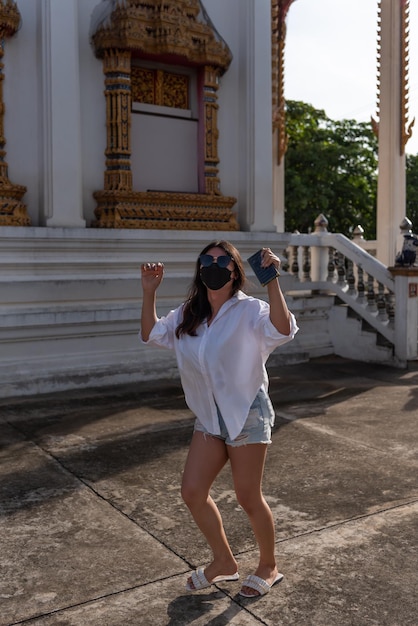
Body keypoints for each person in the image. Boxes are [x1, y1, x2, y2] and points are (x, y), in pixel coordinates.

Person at [140, 241, 298, 598]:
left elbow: (282, 329)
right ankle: (224, 562)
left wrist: (272, 280)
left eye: (222, 260)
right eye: (207, 260)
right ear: (199, 269)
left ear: (235, 270)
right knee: (193, 492)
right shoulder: (187, 314)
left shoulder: (250, 310)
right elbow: (151, 334)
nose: (213, 265)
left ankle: (268, 566)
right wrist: (149, 292)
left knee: (247, 496)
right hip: (209, 417)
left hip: (245, 411)